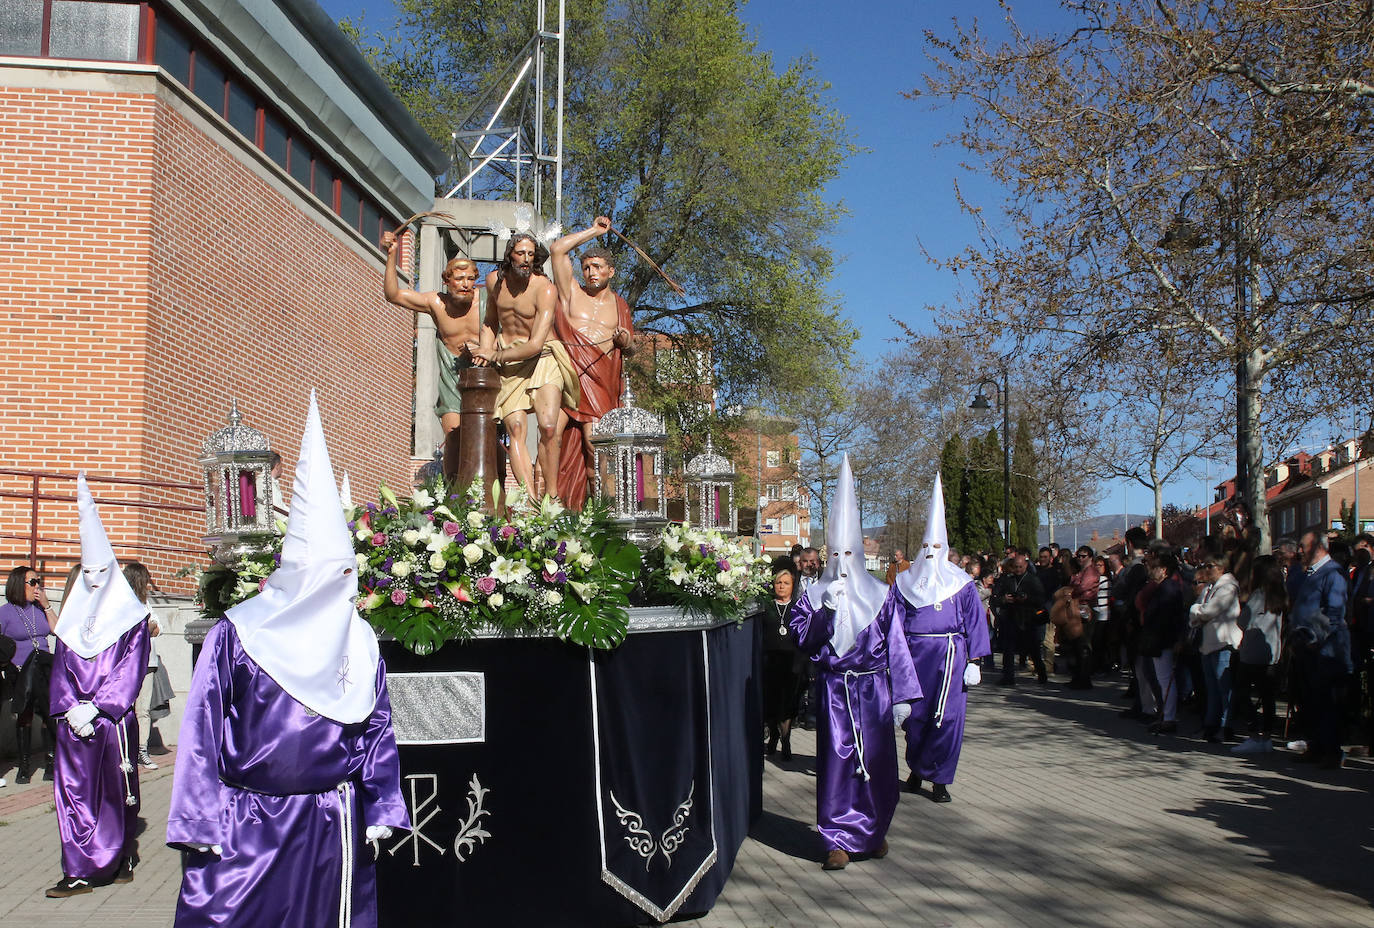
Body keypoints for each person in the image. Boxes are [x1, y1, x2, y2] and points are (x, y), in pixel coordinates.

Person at [168, 392, 409, 928]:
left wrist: (382, 803)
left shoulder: (359, 639)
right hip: (248, 824)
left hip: (331, 821)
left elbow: (376, 728)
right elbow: (202, 731)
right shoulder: (239, 635)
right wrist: (199, 819)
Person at [789, 455, 921, 870]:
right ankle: (837, 838)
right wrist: (824, 614)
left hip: (874, 690)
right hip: (834, 690)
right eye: (836, 553)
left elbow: (897, 645)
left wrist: (903, 697)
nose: (843, 562)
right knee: (837, 762)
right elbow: (803, 642)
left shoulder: (882, 595)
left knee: (878, 762)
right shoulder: (811, 596)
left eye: (851, 552)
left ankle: (874, 830)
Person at [46, 474, 152, 896]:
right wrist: (70, 706)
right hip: (73, 721)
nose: (91, 577)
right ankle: (76, 867)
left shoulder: (132, 620)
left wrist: (101, 706)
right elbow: (61, 666)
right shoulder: (71, 621)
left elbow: (130, 667)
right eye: (85, 570)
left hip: (111, 721)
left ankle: (116, 856)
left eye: (99, 570)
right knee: (73, 795)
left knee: (113, 792)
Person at [892, 473, 991, 803]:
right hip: (914, 657)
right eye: (926, 548)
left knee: (946, 719)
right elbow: (892, 625)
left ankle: (940, 779)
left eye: (937, 547)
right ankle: (917, 770)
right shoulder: (904, 583)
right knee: (915, 717)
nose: (931, 553)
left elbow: (975, 621)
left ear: (945, 548)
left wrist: (975, 661)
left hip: (950, 657)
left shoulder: (960, 583)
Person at [472, 233, 580, 499]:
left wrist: (493, 356)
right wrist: (486, 348)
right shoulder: (493, 282)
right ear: (510, 254)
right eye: (521, 253)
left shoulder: (544, 288)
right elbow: (490, 322)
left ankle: (552, 496)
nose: (526, 259)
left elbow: (534, 344)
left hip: (542, 358)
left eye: (531, 254)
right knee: (516, 430)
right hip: (509, 366)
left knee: (549, 427)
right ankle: (529, 503)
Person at [549, 217, 636, 509]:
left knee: (594, 446)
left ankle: (600, 509)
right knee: (550, 435)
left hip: (601, 381)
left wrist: (625, 341)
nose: (590, 272)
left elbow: (632, 347)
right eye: (586, 267)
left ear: (611, 271)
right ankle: (550, 504)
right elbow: (558, 250)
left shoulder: (620, 305)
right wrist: (594, 232)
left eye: (598, 267)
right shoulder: (572, 292)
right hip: (569, 373)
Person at [380, 230, 484, 438]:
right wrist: (392, 255)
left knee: (484, 438)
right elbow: (393, 295)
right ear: (447, 281)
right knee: (454, 435)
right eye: (460, 279)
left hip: (484, 375)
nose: (466, 284)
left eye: (470, 279)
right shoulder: (436, 303)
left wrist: (488, 349)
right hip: (452, 377)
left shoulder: (486, 301)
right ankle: (451, 472)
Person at [1287, 530, 1351, 768]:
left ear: (1317, 547)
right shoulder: (1311, 574)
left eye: (1303, 546)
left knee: (1327, 703)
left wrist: (1318, 638)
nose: (1300, 551)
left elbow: (1335, 612)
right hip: (1306, 647)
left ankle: (1331, 752)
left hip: (1327, 651)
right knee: (1311, 701)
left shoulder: (1333, 574)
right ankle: (1316, 746)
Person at [1, 565, 59, 784]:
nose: (37, 586)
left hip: (45, 668)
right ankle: (23, 765)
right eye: (33, 582)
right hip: (20, 671)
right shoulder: (5, 612)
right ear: (19, 584)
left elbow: (58, 629)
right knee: (24, 714)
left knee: (48, 713)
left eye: (38, 581)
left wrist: (47, 606)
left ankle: (50, 762)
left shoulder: (40, 609)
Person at [1230, 554, 1287, 754]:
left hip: (1252, 651)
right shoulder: (1280, 593)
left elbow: (1242, 621)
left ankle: (1254, 733)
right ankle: (1267, 737)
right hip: (1272, 651)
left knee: (1241, 692)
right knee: (1268, 695)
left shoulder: (1258, 595)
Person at [1189, 550, 1242, 743]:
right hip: (1208, 644)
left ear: (1221, 567)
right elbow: (1196, 610)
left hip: (1223, 643)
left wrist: (1197, 611)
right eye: (1205, 566)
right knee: (1211, 689)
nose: (1206, 570)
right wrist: (1197, 611)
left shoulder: (1228, 587)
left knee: (1224, 688)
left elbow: (1209, 610)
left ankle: (1225, 725)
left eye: (1209, 566)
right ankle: (1210, 725)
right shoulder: (1209, 588)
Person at [756, 561, 804, 761]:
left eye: (786, 583)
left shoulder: (798, 608)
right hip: (770, 662)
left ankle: (786, 739)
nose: (781, 586)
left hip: (791, 663)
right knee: (772, 703)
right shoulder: (765, 606)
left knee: (788, 705)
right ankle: (774, 734)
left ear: (793, 586)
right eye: (778, 583)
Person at [122, 562, 163, 769]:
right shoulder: (122, 603)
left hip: (148, 662)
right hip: (128, 663)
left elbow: (157, 627)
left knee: (143, 709)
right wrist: (145, 629)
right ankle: (124, 750)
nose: (148, 583)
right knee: (125, 706)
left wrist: (148, 628)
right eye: (145, 579)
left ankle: (141, 750)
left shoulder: (146, 603)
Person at [991, 555, 1045, 686]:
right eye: (1016, 567)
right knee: (1008, 649)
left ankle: (1042, 675)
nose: (1018, 569)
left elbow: (1040, 599)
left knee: (1033, 649)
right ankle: (1008, 677)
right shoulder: (1007, 580)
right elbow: (995, 598)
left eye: (1021, 567)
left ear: (1026, 566)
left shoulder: (1033, 580)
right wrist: (1004, 599)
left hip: (1028, 618)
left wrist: (1027, 599)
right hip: (1011, 617)